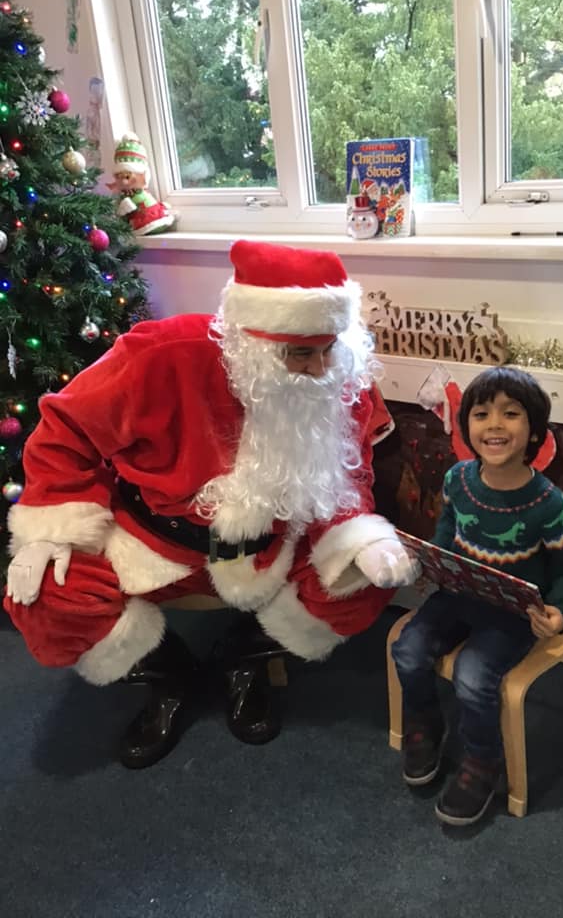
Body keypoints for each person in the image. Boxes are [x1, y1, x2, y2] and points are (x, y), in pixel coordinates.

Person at [4, 239, 417, 768]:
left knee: (365, 579)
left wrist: (359, 537)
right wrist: (50, 531)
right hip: (156, 542)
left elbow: (344, 478)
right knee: (49, 597)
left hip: (275, 547)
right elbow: (65, 429)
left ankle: (241, 657)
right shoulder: (162, 354)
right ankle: (170, 675)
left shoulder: (339, 375)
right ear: (251, 342)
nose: (320, 369)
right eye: (300, 354)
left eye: (328, 348)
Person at [391, 366, 563, 827]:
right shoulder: (458, 480)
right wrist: (432, 562)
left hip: (512, 614)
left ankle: (482, 760)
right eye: (481, 414)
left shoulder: (548, 504)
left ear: (534, 431)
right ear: (467, 427)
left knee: (474, 675)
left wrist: (560, 613)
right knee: (408, 649)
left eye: (510, 414)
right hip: (458, 594)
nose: (494, 424)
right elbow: (446, 531)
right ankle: (424, 722)